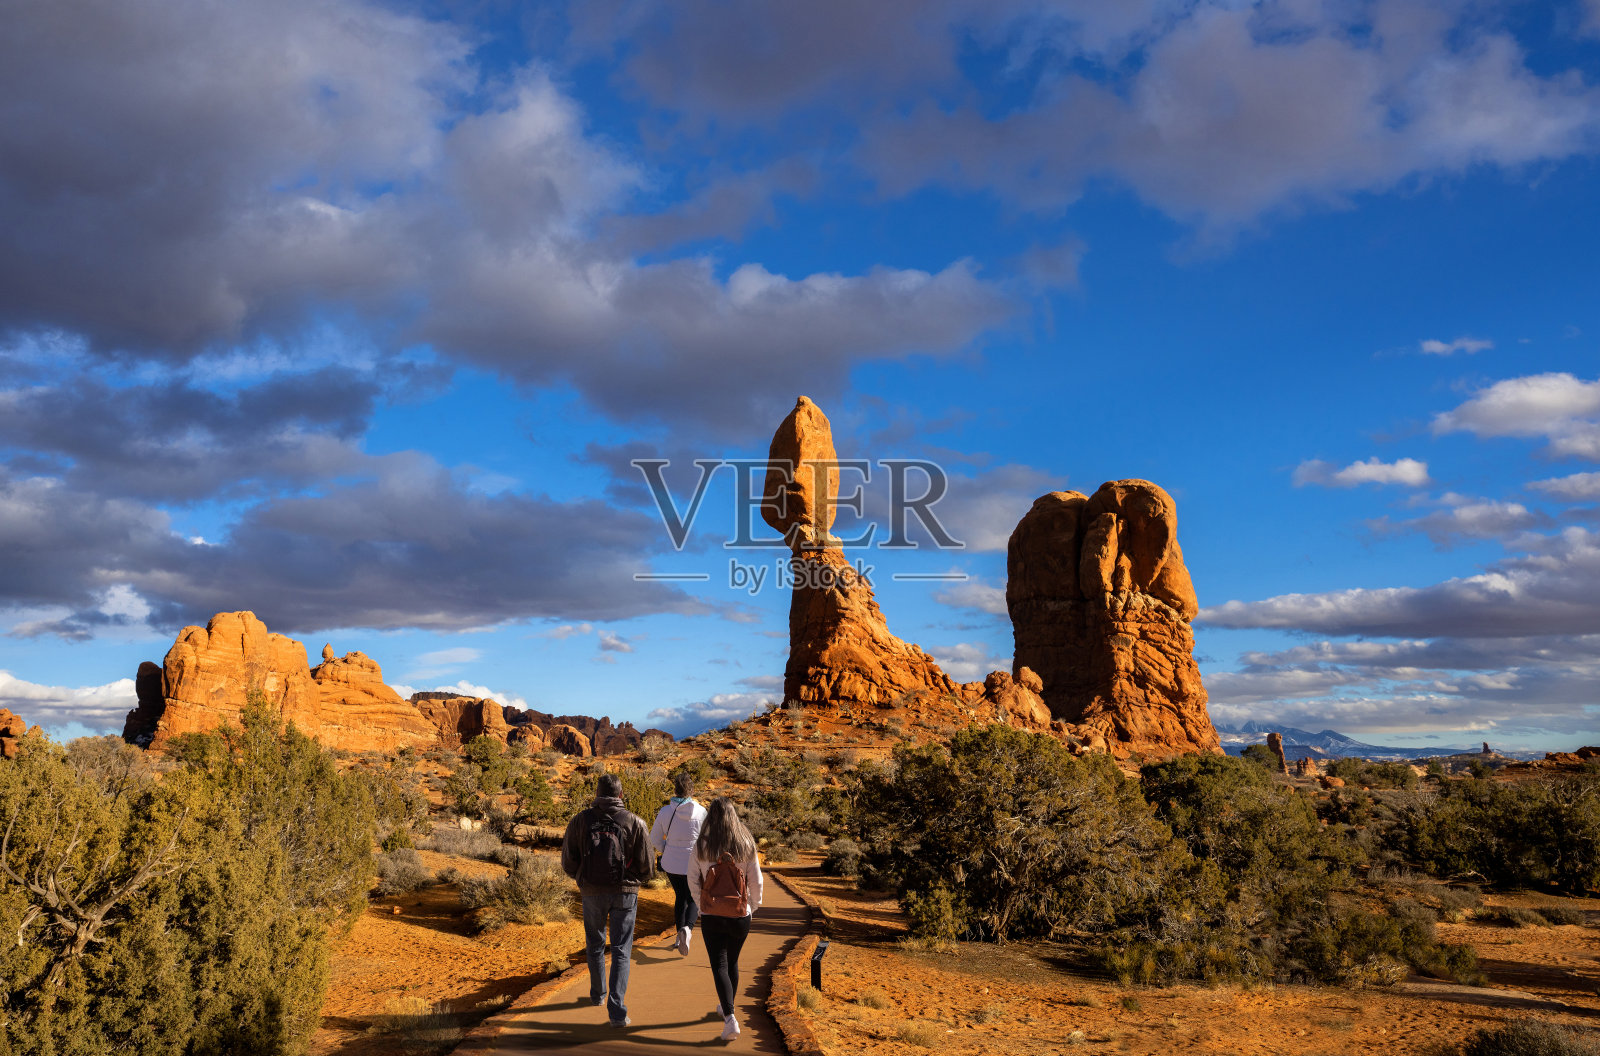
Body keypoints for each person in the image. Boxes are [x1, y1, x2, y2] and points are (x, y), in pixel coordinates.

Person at [561, 773, 654, 1028]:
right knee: (622, 949)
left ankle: (598, 994)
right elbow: (648, 867)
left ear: (597, 795)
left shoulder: (580, 821)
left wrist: (583, 878)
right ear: (620, 795)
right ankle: (617, 1013)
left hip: (591, 892)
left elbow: (568, 861)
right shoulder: (635, 822)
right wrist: (632, 879)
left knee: (595, 943)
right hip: (625, 893)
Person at [688, 796, 764, 1043]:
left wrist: (701, 906)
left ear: (710, 817)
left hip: (712, 915)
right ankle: (727, 1006)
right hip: (739, 915)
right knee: (732, 962)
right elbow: (756, 880)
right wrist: (752, 907)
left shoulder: (702, 845)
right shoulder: (745, 843)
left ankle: (730, 1017)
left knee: (719, 964)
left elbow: (692, 879)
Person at [649, 771, 708, 955]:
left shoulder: (665, 811)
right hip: (694, 863)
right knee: (694, 897)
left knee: (680, 897)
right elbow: (708, 839)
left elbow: (654, 838)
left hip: (672, 863)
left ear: (675, 790)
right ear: (692, 790)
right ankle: (687, 930)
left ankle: (678, 936)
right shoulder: (701, 811)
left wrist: (667, 849)